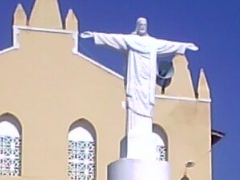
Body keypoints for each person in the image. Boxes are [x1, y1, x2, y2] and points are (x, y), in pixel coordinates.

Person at [81, 18, 198, 160]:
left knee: (147, 105)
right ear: (137, 26)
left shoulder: (152, 43)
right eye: (140, 25)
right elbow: (114, 39)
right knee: (134, 103)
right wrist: (95, 35)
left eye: (144, 25)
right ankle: (134, 132)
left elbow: (169, 45)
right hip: (135, 80)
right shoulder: (130, 40)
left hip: (147, 82)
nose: (142, 27)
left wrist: (184, 46)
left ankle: (144, 132)